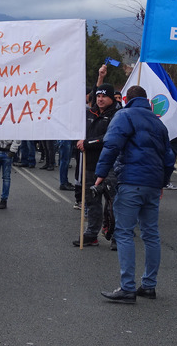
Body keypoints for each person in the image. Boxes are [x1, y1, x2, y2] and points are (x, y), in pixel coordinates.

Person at [94, 86, 177, 304]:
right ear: (145, 99)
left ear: (127, 99)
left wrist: (101, 173)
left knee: (123, 232)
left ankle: (127, 287)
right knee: (151, 234)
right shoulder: (158, 122)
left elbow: (112, 145)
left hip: (131, 179)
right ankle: (149, 285)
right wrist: (162, 182)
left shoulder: (124, 115)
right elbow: (169, 157)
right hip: (152, 183)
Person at [74, 83, 119, 246]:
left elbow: (109, 138)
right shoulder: (88, 113)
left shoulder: (118, 115)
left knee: (113, 201)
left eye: (104, 96)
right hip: (90, 164)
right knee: (92, 201)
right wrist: (78, 142)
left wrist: (88, 142)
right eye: (98, 96)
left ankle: (116, 235)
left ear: (111, 98)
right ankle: (91, 234)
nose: (100, 99)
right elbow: (78, 134)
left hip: (110, 166)